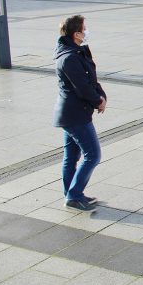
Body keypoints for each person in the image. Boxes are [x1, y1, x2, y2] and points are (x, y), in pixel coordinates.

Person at [54, 15, 106, 213]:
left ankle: (72, 194)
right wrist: (98, 101)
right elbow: (82, 86)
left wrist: (101, 96)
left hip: (73, 113)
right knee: (93, 155)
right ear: (76, 34)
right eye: (85, 29)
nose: (87, 32)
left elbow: (91, 80)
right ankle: (74, 195)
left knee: (71, 157)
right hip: (74, 115)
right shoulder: (69, 57)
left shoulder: (76, 51)